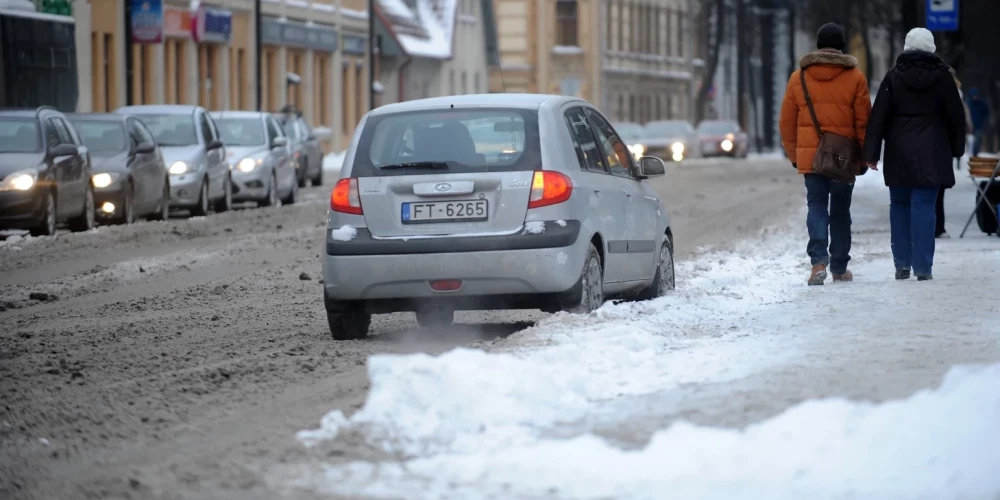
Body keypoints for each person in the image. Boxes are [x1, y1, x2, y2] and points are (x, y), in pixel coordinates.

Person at [863, 28, 966, 281]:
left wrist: (871, 153)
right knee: (925, 206)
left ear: (907, 47)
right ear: (932, 47)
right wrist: (957, 149)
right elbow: (956, 117)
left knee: (899, 205)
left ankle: (901, 264)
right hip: (933, 149)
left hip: (899, 149)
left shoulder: (893, 77)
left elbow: (878, 117)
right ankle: (923, 267)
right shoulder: (943, 77)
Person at [780, 23, 871, 286]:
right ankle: (839, 268)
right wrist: (863, 156)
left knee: (816, 206)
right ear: (842, 46)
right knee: (841, 211)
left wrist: (794, 155)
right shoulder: (855, 78)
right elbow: (863, 122)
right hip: (843, 159)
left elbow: (787, 122)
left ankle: (818, 263)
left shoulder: (799, 78)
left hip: (812, 158)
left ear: (818, 45)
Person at [935, 68, 974, 239]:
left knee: (934, 187)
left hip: (940, 143)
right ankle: (938, 226)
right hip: (944, 144)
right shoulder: (954, 92)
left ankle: (937, 226)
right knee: (938, 187)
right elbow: (959, 120)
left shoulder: (949, 91)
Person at [967, 87, 990, 156]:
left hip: (979, 125)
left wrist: (985, 120)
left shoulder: (982, 103)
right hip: (969, 126)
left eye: (976, 96)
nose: (975, 98)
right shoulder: (968, 103)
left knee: (977, 141)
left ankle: (975, 154)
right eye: (973, 96)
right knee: (969, 141)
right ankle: (969, 155)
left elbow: (987, 113)